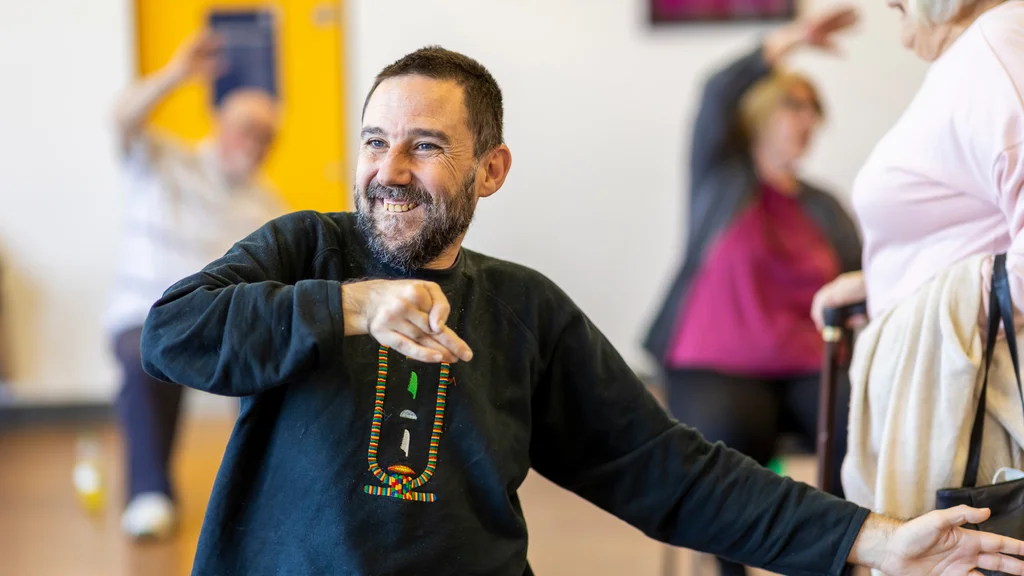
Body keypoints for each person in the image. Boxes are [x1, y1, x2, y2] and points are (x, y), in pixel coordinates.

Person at [139, 46, 1024, 575]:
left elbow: (671, 473)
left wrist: (875, 540)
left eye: (425, 145)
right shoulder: (307, 252)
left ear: (491, 169)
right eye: (374, 142)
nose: (389, 169)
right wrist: (349, 306)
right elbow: (173, 334)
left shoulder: (523, 313)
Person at [642, 10, 862, 573]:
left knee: (853, 419)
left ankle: (836, 552)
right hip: (714, 360)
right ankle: (731, 567)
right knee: (728, 436)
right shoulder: (722, 179)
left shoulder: (825, 207)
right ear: (761, 115)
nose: (807, 120)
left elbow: (862, 288)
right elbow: (717, 90)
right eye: (794, 105)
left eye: (814, 109)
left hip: (803, 359)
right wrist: (790, 39)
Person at [811, 0, 1024, 525]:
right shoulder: (976, 50)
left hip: (975, 407)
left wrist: (945, 303)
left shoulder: (998, 46)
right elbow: (978, 227)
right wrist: (883, 285)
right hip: (953, 395)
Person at [108, 30, 287, 539]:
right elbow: (120, 119)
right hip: (144, 312)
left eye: (267, 137)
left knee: (275, 353)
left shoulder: (268, 205)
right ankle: (149, 496)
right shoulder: (164, 162)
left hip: (218, 325)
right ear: (220, 124)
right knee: (141, 349)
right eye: (247, 129)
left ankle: (260, 496)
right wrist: (176, 76)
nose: (255, 145)